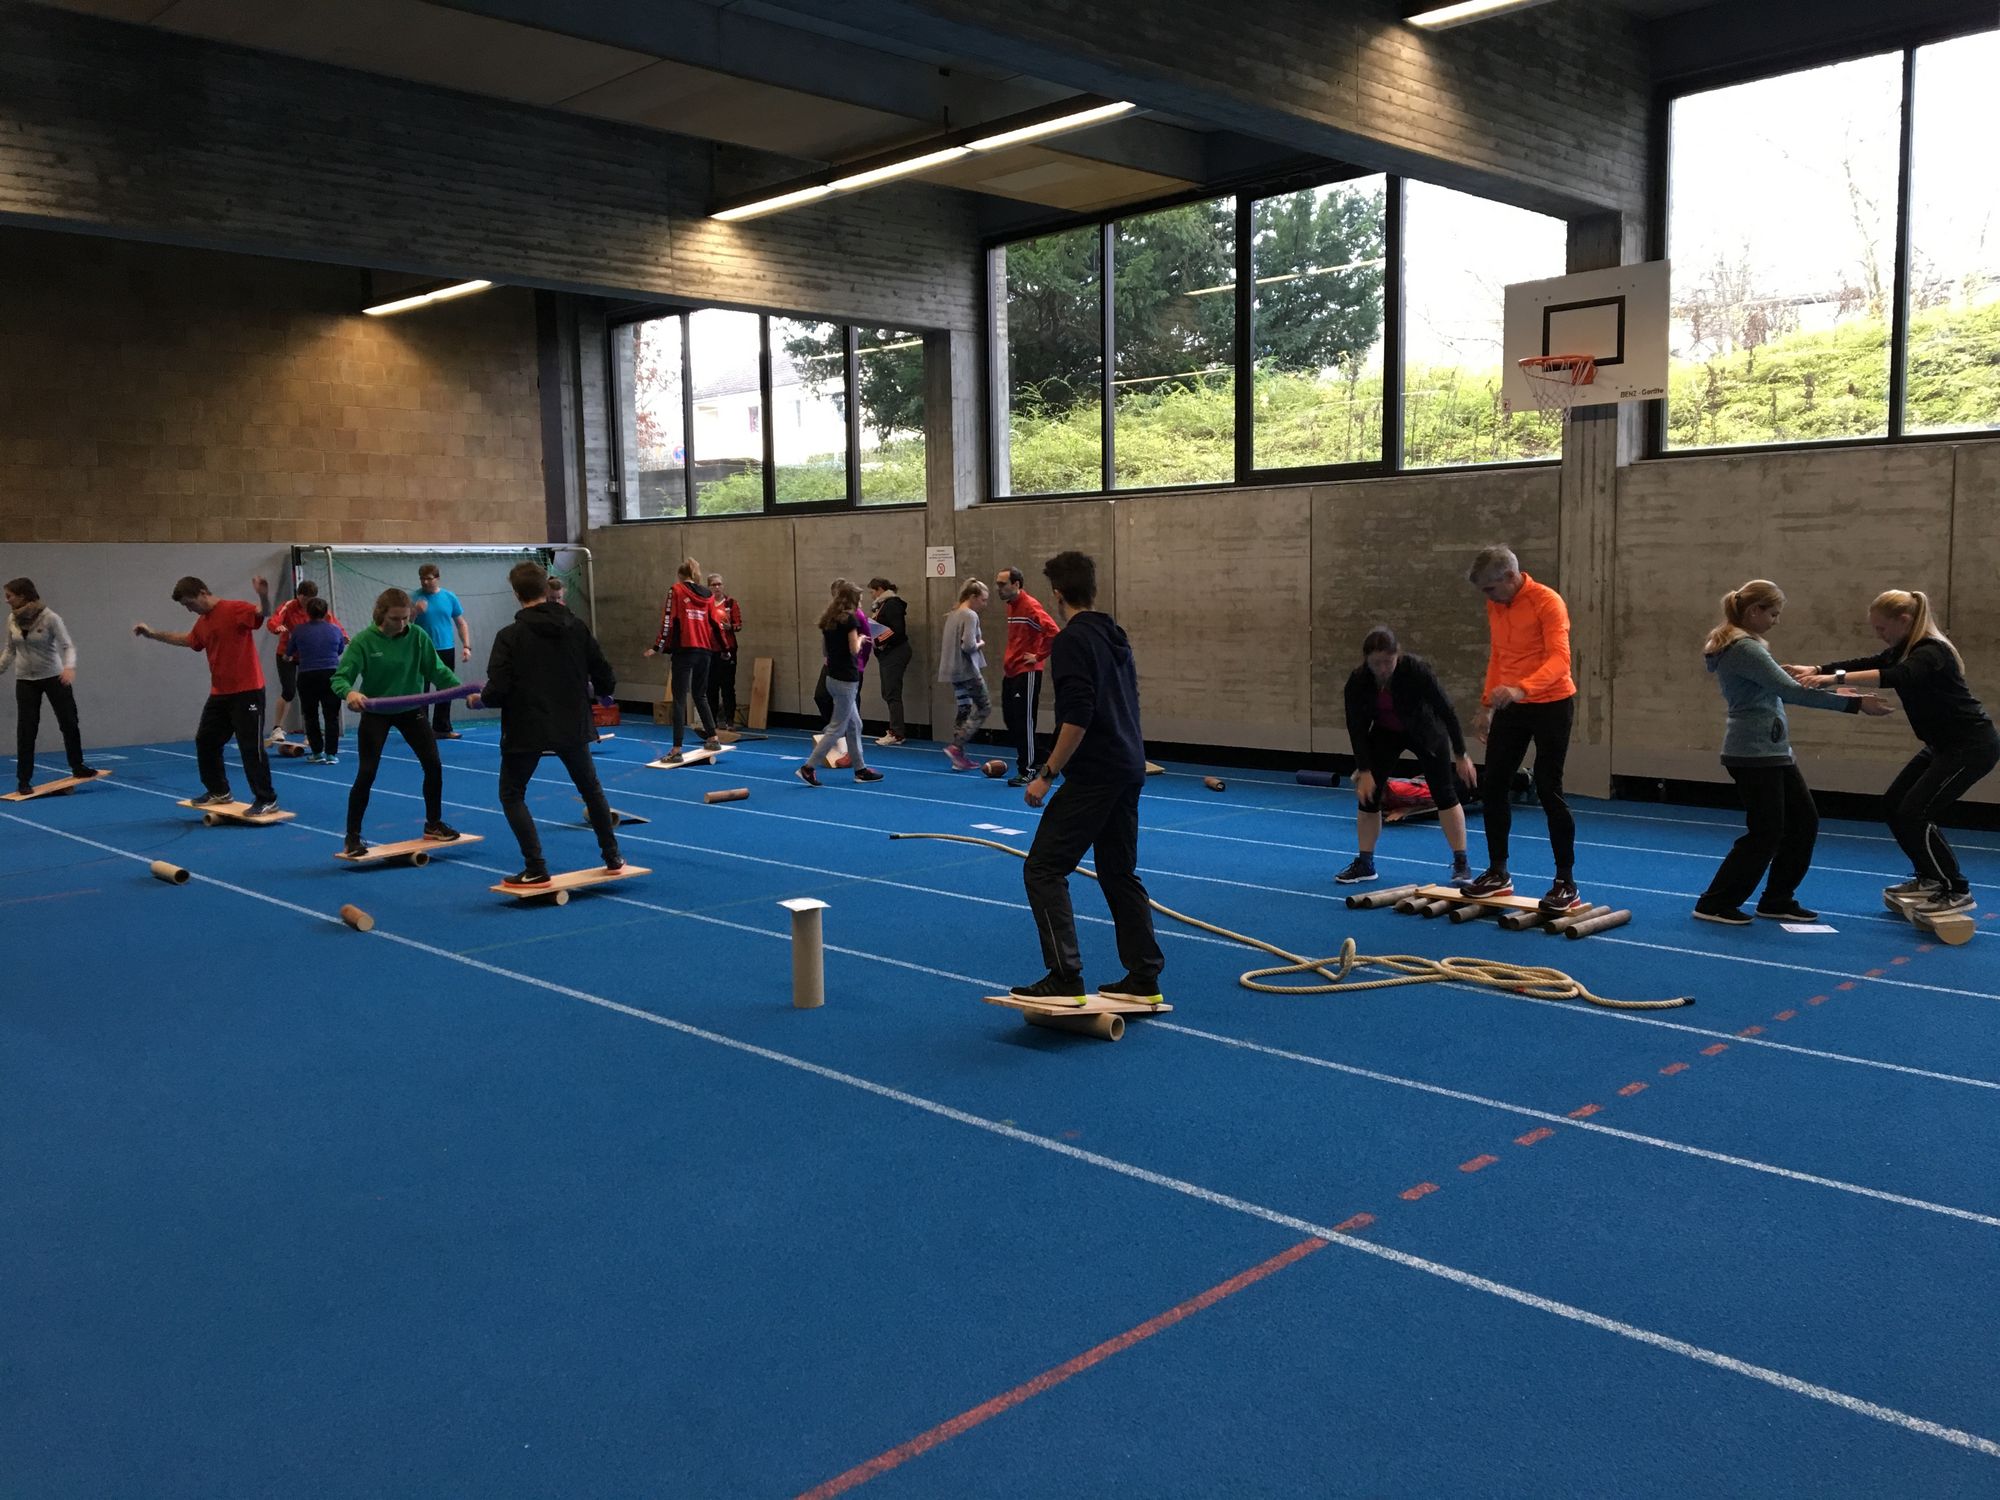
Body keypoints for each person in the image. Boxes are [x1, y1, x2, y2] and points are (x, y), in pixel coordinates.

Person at [1789, 589, 1998, 921]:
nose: (1879, 634)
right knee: (1893, 804)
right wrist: (1817, 667)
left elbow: (1897, 676)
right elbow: (1870, 663)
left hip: (1971, 746)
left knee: (1916, 811)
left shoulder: (1932, 651)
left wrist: (1832, 679)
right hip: (1941, 746)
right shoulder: (1903, 650)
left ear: (1904, 621)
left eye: (1882, 628)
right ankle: (1929, 878)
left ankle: (1956, 889)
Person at [1012, 550, 1164, 1006]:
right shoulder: (1114, 634)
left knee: (1043, 867)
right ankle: (1144, 976)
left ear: (1057, 594)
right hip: (1127, 766)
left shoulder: (1072, 641)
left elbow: (1077, 715)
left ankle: (1065, 975)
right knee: (1118, 871)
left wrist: (1046, 774)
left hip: (1096, 772)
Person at [1696, 581, 1892, 925]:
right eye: (1773, 614)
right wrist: (1855, 704)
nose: (1776, 621)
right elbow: (1790, 691)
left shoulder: (1748, 646)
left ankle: (1777, 899)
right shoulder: (1744, 648)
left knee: (1803, 822)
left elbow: (1786, 686)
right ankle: (1715, 903)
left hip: (1772, 750)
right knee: (1766, 831)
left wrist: (1847, 693)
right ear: (1754, 611)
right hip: (1753, 752)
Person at [479, 561, 624, 887]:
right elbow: (604, 672)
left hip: (526, 725)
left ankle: (536, 866)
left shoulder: (509, 637)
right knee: (590, 789)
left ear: (516, 593)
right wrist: (603, 692)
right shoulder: (576, 627)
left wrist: (482, 698)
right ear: (546, 589)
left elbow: (498, 689)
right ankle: (612, 856)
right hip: (571, 721)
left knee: (512, 793)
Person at [1461, 546, 1580, 913]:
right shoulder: (1497, 604)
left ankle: (1565, 881)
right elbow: (1499, 655)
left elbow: (1560, 660)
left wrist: (1521, 689)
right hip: (1512, 705)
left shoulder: (1548, 602)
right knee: (1494, 784)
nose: (1488, 597)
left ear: (1510, 577)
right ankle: (1498, 872)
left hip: (1552, 703)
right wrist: (1487, 705)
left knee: (1548, 787)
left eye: (1490, 589)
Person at [1335, 626, 1477, 887]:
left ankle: (1461, 863)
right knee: (1368, 796)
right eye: (1376, 663)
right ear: (1366, 660)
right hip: (1386, 733)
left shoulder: (1416, 670)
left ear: (1397, 655)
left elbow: (1446, 710)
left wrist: (1461, 753)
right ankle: (1365, 863)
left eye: (1388, 662)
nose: (1383, 669)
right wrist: (1364, 770)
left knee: (1444, 794)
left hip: (1425, 731)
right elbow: (1356, 728)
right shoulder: (1358, 682)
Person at [331, 588, 462, 857]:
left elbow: (437, 670)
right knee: (367, 772)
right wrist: (350, 693)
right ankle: (352, 837)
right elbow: (340, 678)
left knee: (433, 765)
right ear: (381, 615)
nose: (402, 624)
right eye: (395, 619)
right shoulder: (364, 641)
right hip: (377, 712)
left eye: (405, 618)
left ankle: (433, 823)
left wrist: (463, 691)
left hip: (411, 710)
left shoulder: (417, 636)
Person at [134, 575, 280, 816]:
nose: (189, 609)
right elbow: (187, 640)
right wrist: (153, 634)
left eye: (190, 603)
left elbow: (263, 613)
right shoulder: (203, 623)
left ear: (203, 593)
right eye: (185, 606)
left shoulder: (234, 609)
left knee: (250, 747)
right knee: (206, 740)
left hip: (248, 691)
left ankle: (266, 799)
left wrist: (263, 595)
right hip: (220, 693)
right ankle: (218, 791)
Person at [2, 578, 99, 795]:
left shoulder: (50, 617)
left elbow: (68, 646)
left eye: (9, 596)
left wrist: (69, 667)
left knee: (69, 722)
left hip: (54, 677)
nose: (6, 600)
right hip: (25, 680)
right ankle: (24, 780)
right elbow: (9, 649)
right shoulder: (12, 619)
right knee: (26, 730)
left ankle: (78, 766)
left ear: (23, 596)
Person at [797, 581, 884, 787]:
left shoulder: (829, 619)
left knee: (855, 724)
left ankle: (860, 769)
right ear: (852, 600)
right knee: (837, 728)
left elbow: (826, 651)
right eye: (859, 599)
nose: (861, 602)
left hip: (832, 676)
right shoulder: (850, 620)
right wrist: (862, 639)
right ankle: (808, 767)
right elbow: (854, 649)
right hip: (846, 678)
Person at [644, 559, 723, 763]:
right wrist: (724, 649)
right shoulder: (708, 595)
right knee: (700, 695)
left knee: (679, 699)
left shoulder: (676, 590)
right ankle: (713, 738)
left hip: (685, 649)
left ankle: (677, 749)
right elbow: (716, 623)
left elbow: (668, 620)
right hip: (705, 650)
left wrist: (657, 646)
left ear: (680, 575)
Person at [996, 566, 1059, 787]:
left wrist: (1038, 656)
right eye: (997, 584)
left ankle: (1029, 769)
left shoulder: (1030, 606)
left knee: (1024, 721)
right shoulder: (1011, 606)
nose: (998, 588)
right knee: (1011, 720)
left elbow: (1053, 632)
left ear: (1016, 584)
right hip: (1011, 671)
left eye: (1002, 584)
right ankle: (1043, 757)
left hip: (1028, 672)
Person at [264, 580, 342, 746]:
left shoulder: (316, 608)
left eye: (311, 599)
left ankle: (311, 733)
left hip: (308, 656)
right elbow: (274, 620)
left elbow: (333, 624)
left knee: (311, 695)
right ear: (298, 595)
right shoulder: (288, 606)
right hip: (287, 654)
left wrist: (344, 636)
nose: (308, 602)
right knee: (289, 691)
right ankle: (277, 728)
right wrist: (276, 627)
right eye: (305, 599)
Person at [289, 595, 350, 765]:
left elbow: (290, 651)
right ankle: (331, 754)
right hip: (331, 673)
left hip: (307, 674)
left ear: (307, 612)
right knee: (331, 715)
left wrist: (291, 656)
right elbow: (339, 650)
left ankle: (317, 752)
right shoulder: (335, 630)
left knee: (310, 715)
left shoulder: (299, 630)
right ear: (325, 612)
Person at [937, 579, 991, 771]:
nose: (984, 604)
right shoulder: (970, 615)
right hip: (967, 670)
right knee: (984, 707)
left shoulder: (953, 613)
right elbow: (968, 645)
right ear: (973, 597)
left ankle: (958, 755)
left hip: (953, 671)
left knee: (964, 708)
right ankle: (956, 746)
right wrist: (980, 644)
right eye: (983, 600)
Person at [413, 563, 471, 738]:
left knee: (446, 688)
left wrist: (466, 646)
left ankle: (442, 728)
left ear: (437, 578)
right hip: (422, 650)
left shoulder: (449, 597)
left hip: (446, 649)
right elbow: (404, 625)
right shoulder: (414, 598)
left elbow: (461, 623)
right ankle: (421, 730)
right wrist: (415, 612)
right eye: (422, 579)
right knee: (421, 690)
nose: (425, 582)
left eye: (429, 578)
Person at [867, 578, 911, 746]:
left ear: (880, 589)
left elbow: (897, 630)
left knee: (892, 692)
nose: (871, 595)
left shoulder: (891, 604)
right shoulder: (884, 605)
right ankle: (895, 730)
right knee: (888, 691)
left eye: (872, 591)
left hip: (895, 652)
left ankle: (897, 732)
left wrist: (877, 640)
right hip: (888, 653)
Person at [707, 571, 743, 728]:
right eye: (713, 585)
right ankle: (712, 721)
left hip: (728, 649)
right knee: (711, 687)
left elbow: (739, 625)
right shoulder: (705, 604)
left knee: (727, 686)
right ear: (709, 587)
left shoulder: (730, 603)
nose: (717, 587)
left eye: (719, 584)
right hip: (710, 650)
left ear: (723, 586)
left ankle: (729, 720)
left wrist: (730, 627)